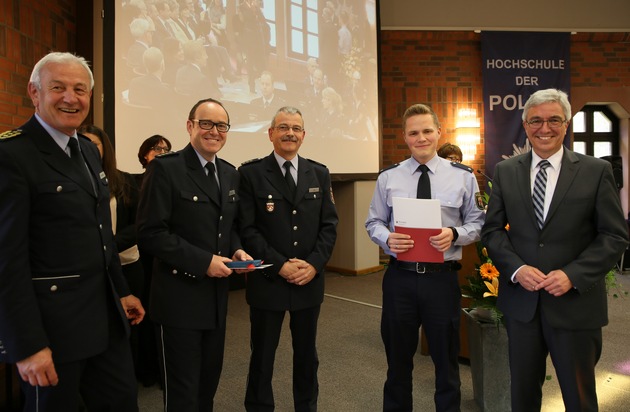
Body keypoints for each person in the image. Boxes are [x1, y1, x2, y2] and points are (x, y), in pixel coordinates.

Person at [0, 52, 145, 411]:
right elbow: (6, 261)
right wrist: (27, 345)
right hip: (52, 330)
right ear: (34, 93)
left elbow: (100, 235)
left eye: (80, 89)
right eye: (58, 88)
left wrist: (121, 292)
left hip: (104, 320)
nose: (71, 97)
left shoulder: (86, 151)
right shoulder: (12, 155)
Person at [481, 88, 629, 412]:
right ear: (525, 124)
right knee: (522, 397)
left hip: (575, 305)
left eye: (553, 120)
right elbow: (492, 231)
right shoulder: (506, 172)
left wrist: (572, 275)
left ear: (566, 124)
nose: (544, 128)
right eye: (535, 120)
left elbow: (614, 236)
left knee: (579, 399)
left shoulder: (595, 171)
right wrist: (517, 269)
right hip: (523, 307)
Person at [365, 103, 485, 412]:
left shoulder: (462, 177)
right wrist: (387, 238)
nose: (421, 138)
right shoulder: (388, 177)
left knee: (446, 365)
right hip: (400, 279)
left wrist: (456, 234)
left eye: (427, 131)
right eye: (414, 133)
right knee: (398, 364)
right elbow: (373, 222)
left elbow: (479, 222)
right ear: (404, 137)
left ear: (438, 133)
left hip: (441, 280)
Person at [136, 97, 254, 411]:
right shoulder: (166, 169)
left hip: (215, 302)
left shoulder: (230, 173)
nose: (214, 131)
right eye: (206, 123)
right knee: (182, 394)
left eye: (221, 125)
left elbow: (226, 227)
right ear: (190, 126)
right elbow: (150, 233)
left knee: (206, 389)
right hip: (178, 301)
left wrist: (237, 250)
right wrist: (203, 262)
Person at [238, 106, 338, 411]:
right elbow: (247, 228)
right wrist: (279, 265)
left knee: (307, 356)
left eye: (296, 128)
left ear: (304, 135)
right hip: (268, 280)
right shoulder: (251, 173)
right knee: (263, 357)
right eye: (283, 127)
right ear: (270, 133)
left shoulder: (318, 173)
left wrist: (314, 264)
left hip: (308, 280)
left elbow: (329, 226)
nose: (290, 133)